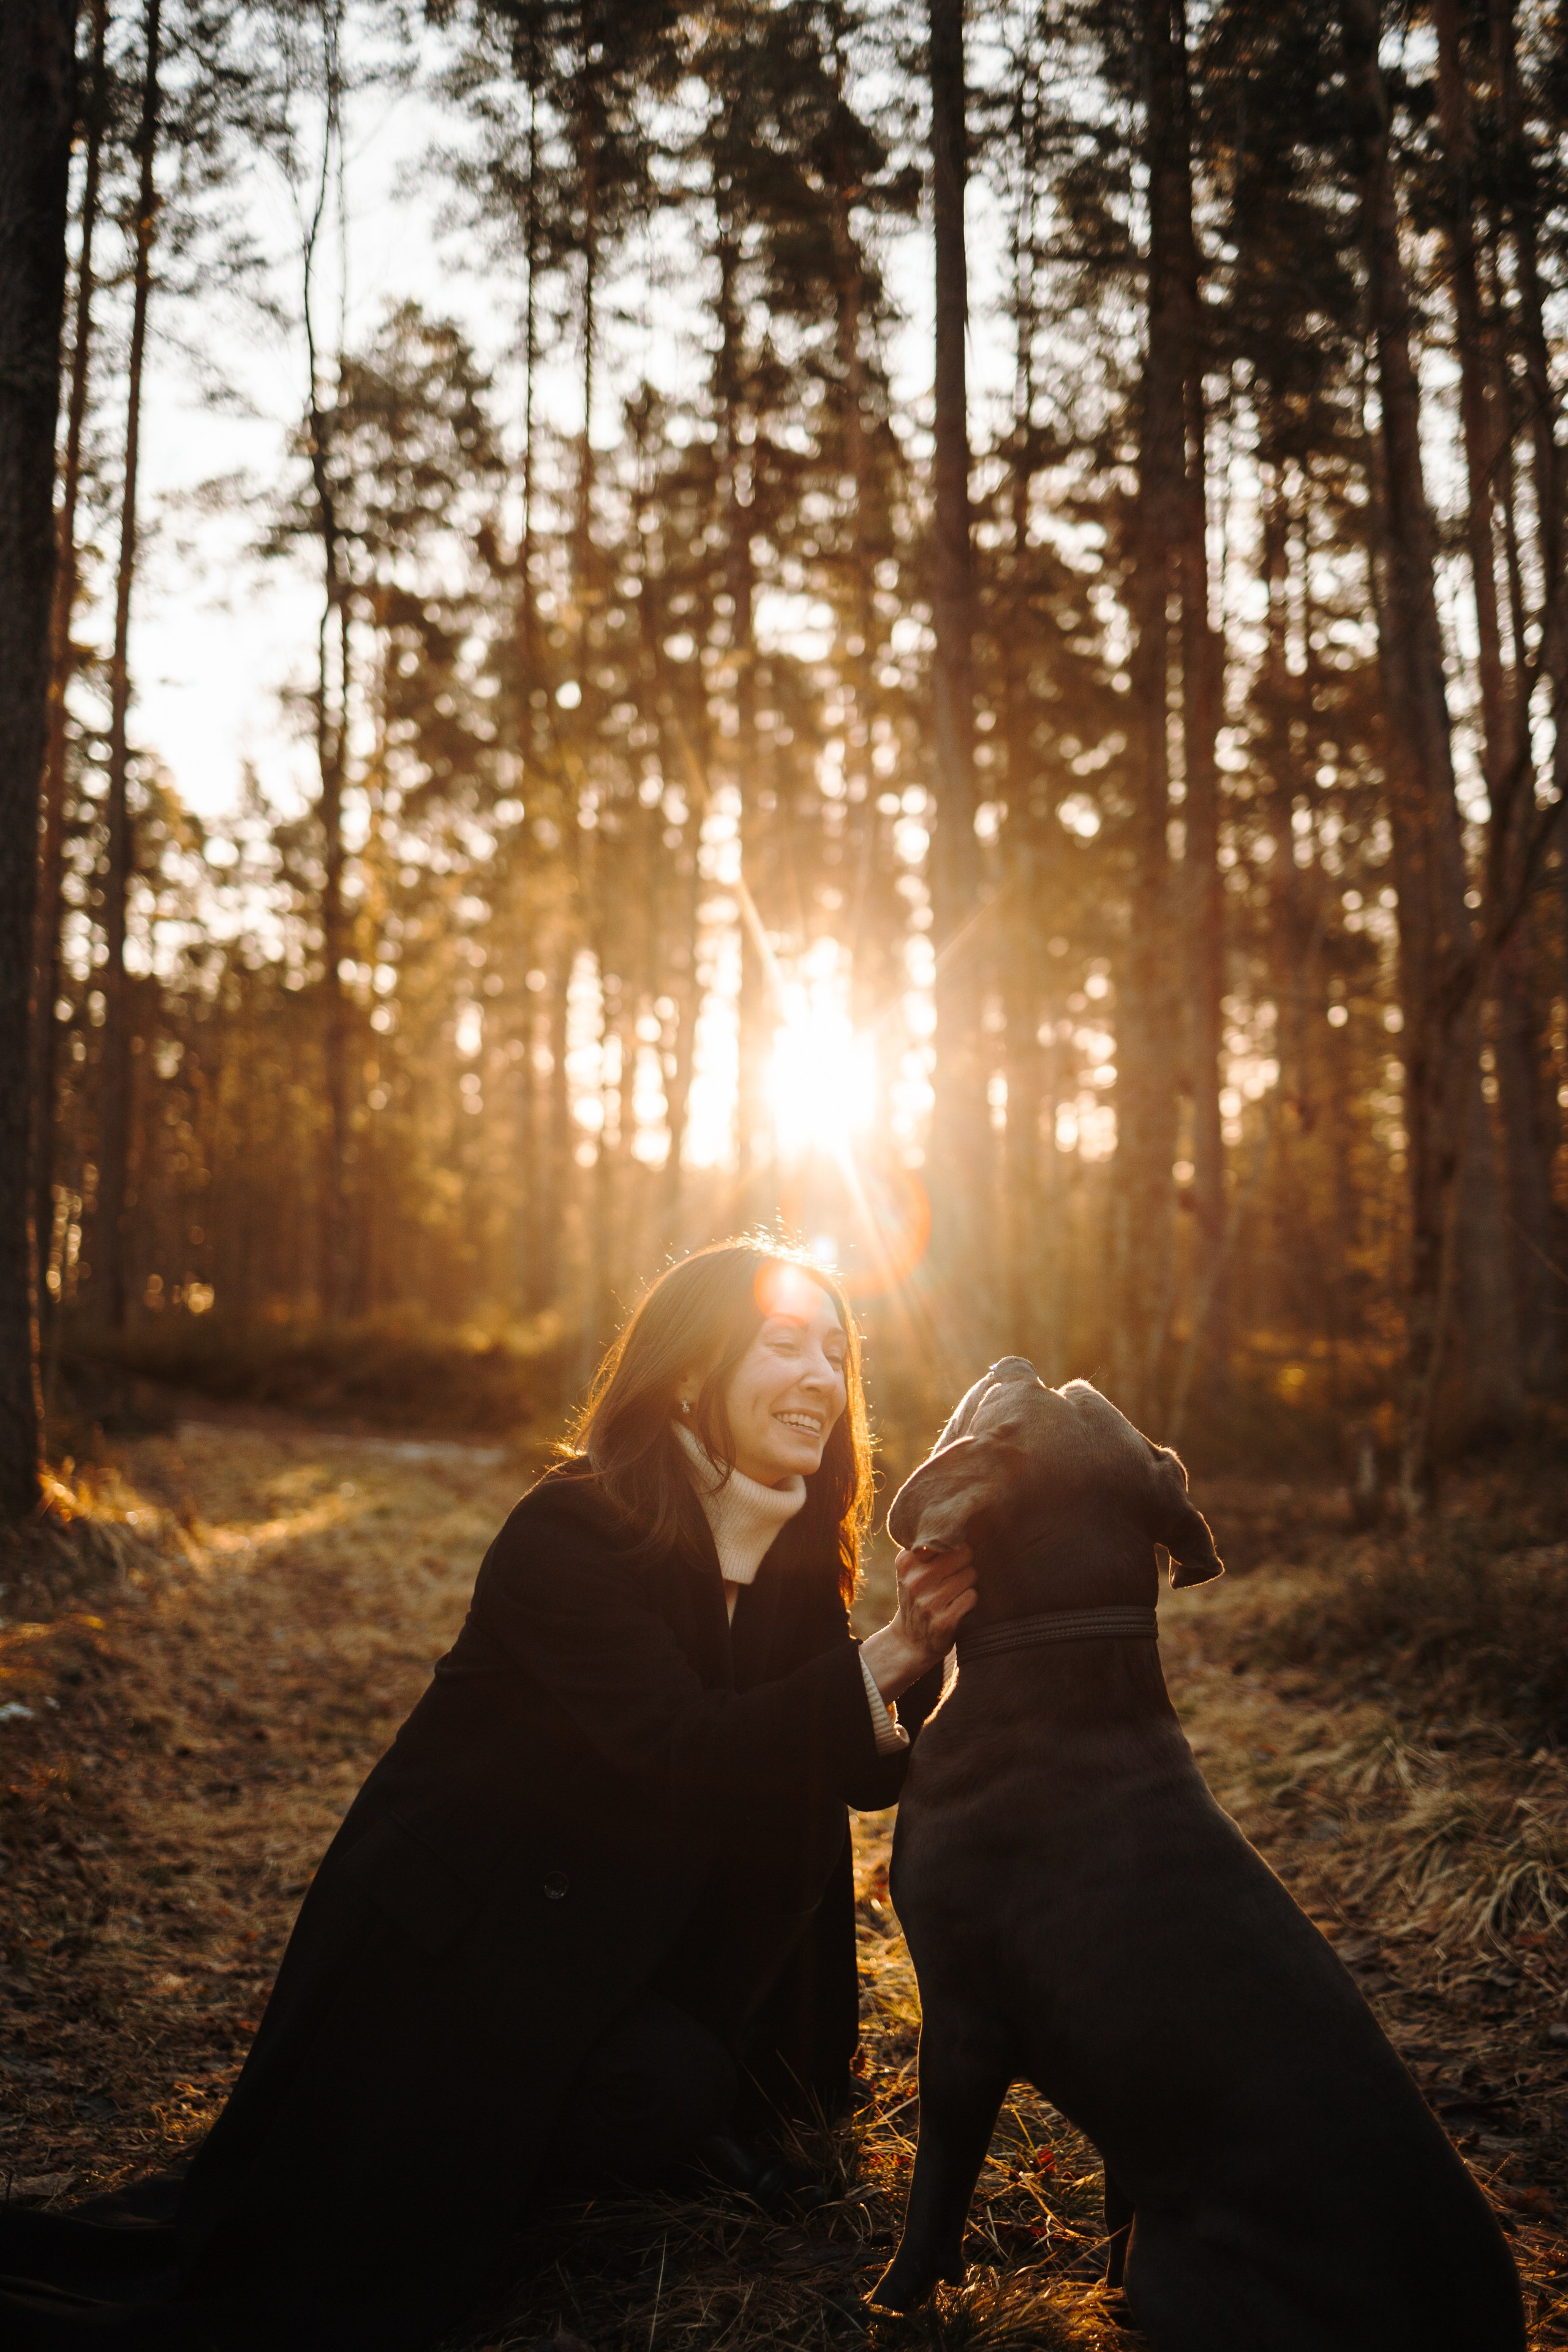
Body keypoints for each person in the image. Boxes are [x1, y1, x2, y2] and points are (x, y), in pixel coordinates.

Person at [0, 1239, 976, 2351]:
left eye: (836, 1356)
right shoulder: (572, 1530)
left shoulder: (796, 1538)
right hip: (461, 1949)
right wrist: (885, 1656)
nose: (821, 1378)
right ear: (694, 1373)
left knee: (694, 2042)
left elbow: (850, 1769)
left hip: (610, 1930)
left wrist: (935, 1641)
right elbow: (676, 1741)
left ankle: (669, 2106)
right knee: (645, 2097)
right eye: (786, 1344)